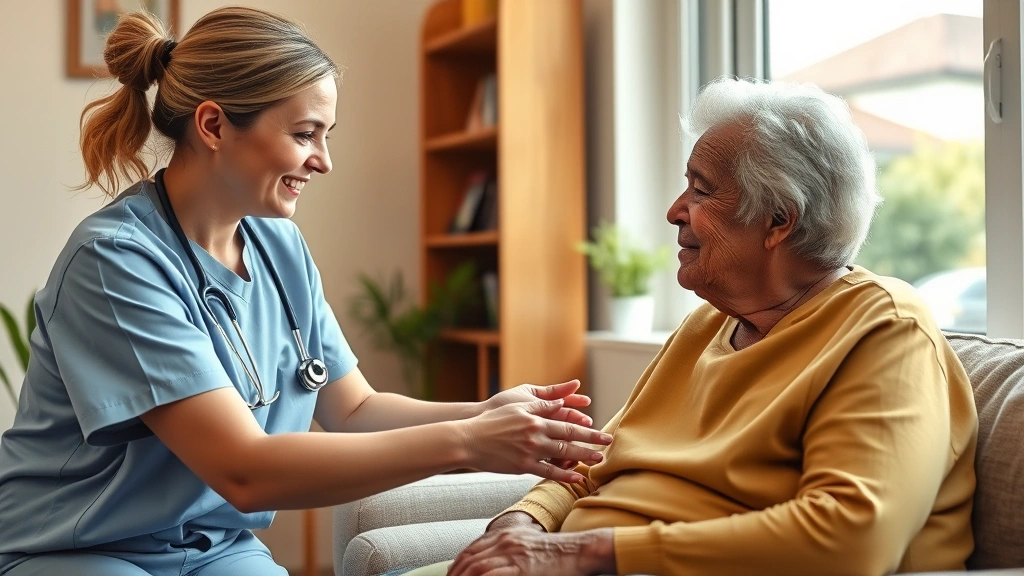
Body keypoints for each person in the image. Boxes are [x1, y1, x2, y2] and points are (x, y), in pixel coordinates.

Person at [0, 7, 611, 576]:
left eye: (327, 134)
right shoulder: (115, 261)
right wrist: (470, 443)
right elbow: (242, 470)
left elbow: (351, 411)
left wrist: (486, 412)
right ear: (213, 124)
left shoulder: (278, 247)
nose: (323, 160)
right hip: (79, 546)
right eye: (305, 133)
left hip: (212, 547)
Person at [408, 77, 979, 576]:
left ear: (778, 220)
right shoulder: (710, 324)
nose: (675, 210)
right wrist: (523, 524)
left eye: (701, 189)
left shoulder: (885, 332)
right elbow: (599, 461)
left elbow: (852, 539)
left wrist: (581, 554)